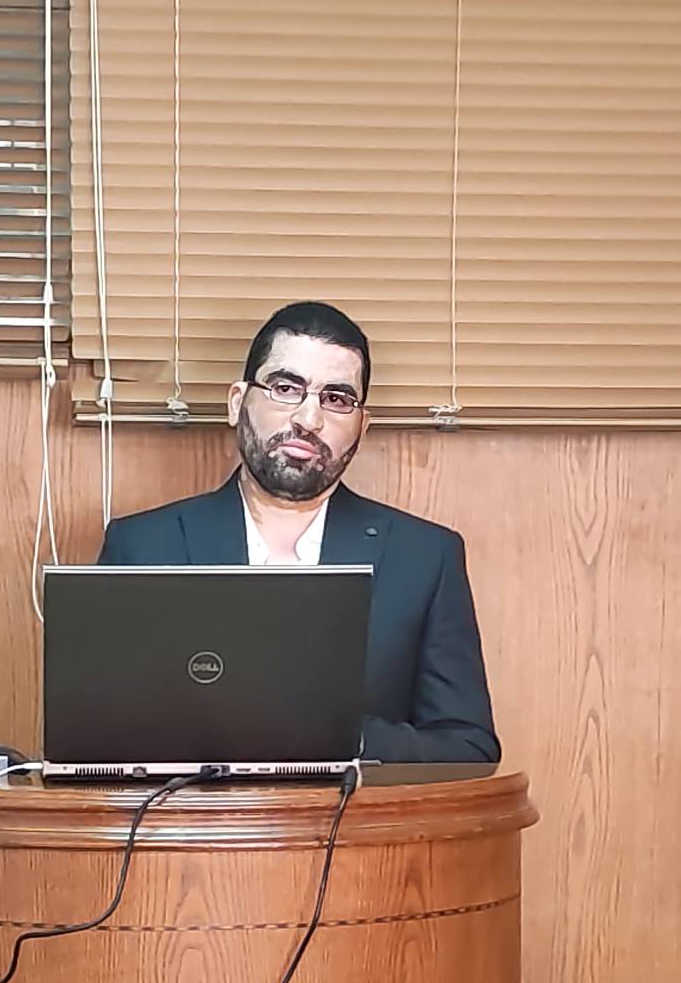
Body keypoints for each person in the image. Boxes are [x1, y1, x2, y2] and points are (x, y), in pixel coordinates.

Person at [97, 300, 499, 764]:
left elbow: (469, 747)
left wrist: (333, 736)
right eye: (286, 388)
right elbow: (96, 733)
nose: (309, 419)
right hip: (194, 811)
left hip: (356, 812)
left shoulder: (425, 557)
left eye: (336, 399)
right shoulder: (141, 548)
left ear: (361, 426)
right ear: (237, 403)